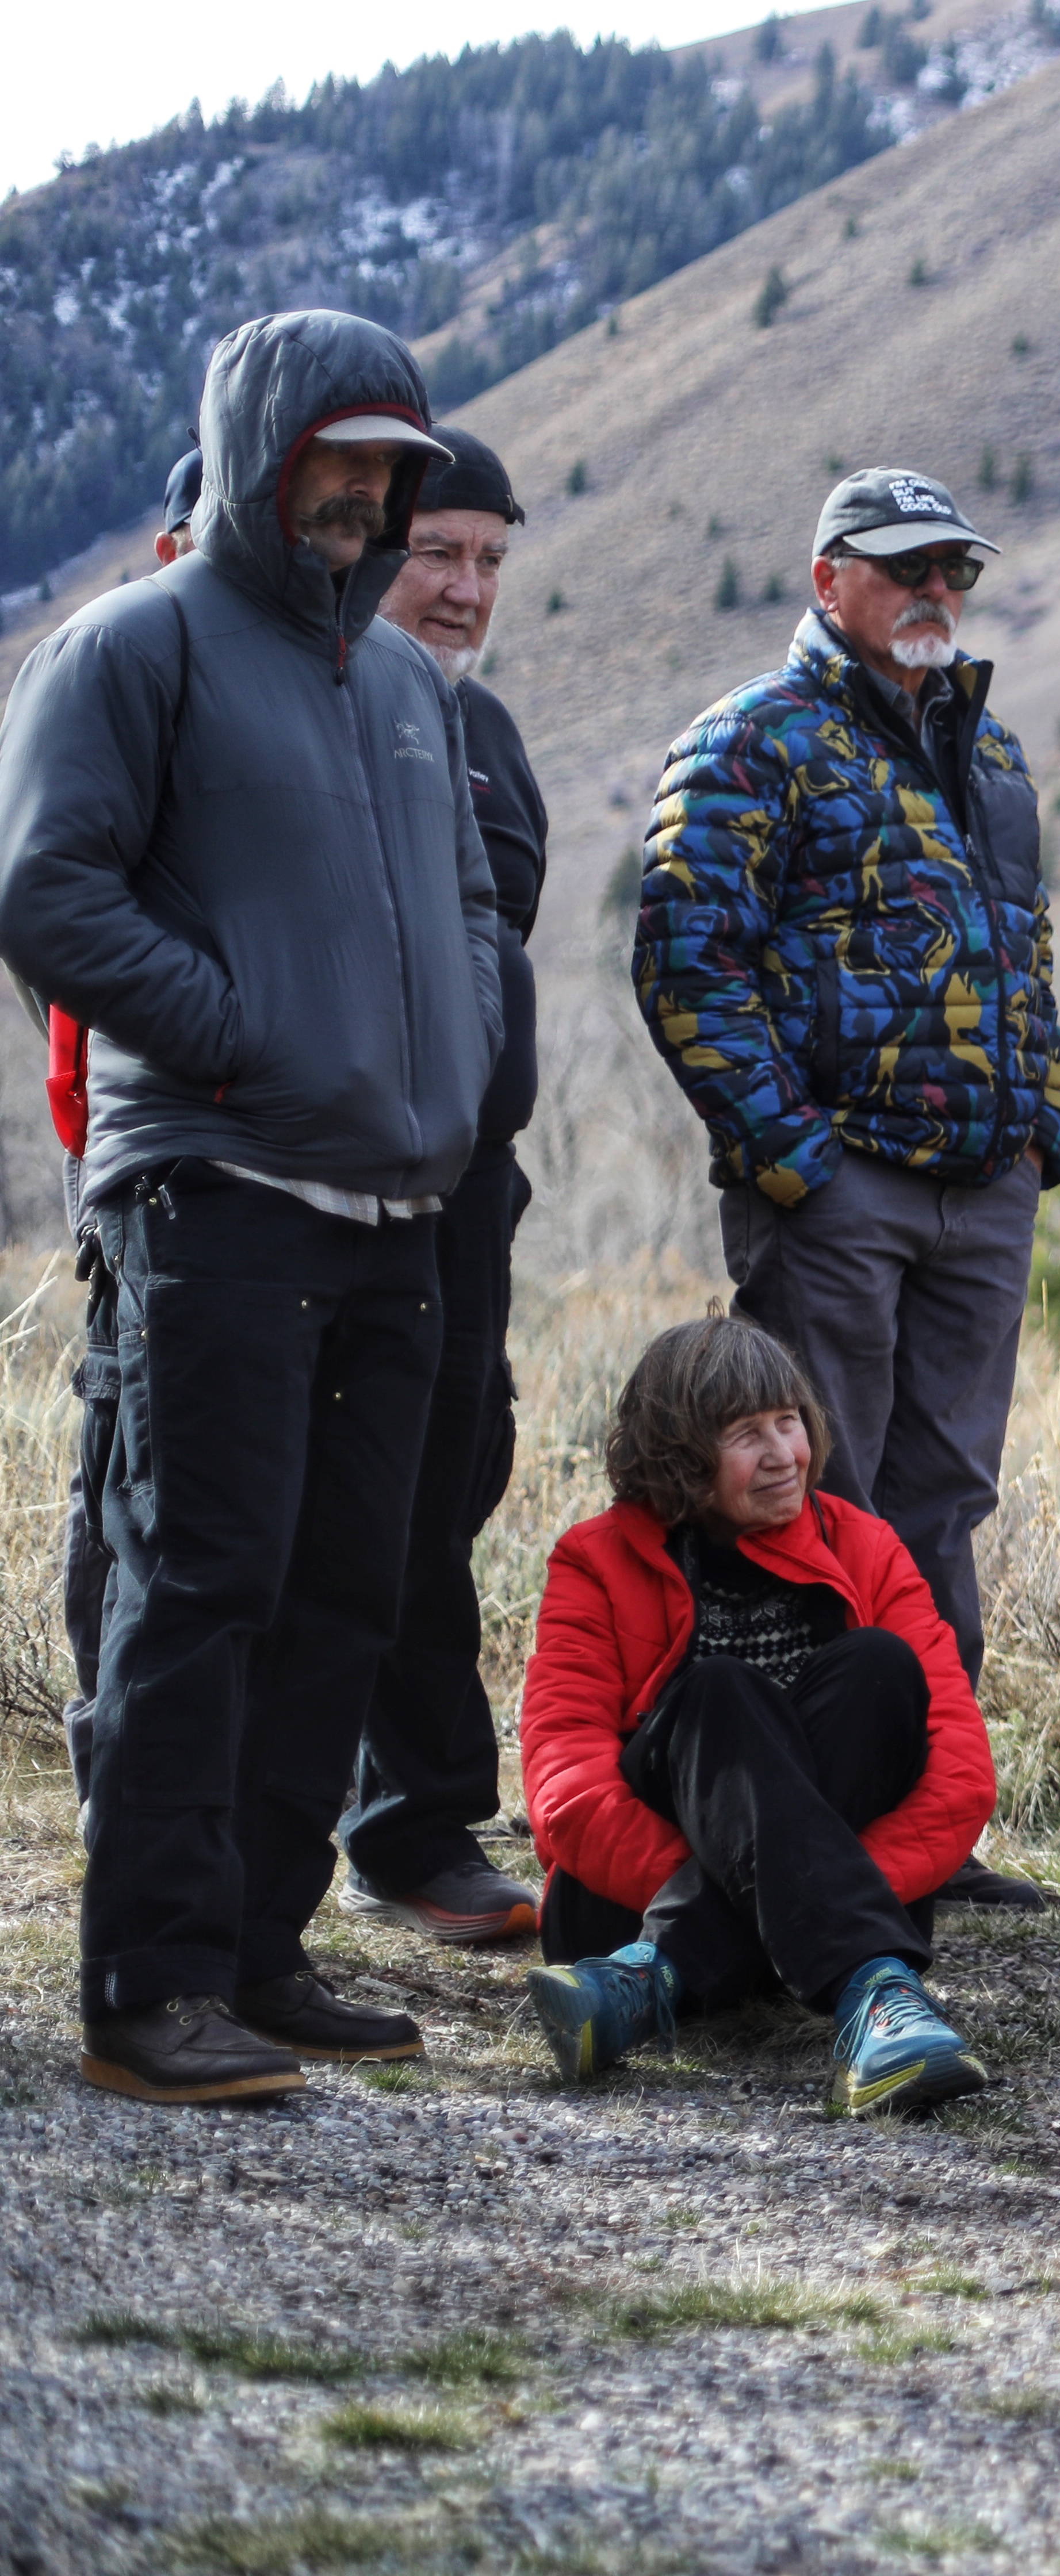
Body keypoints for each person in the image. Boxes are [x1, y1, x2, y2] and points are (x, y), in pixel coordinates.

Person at [0, 311, 502, 2104]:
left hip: (395, 1210)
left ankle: (264, 1951)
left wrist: (447, 1080)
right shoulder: (130, 651)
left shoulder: (403, 690)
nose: (365, 496)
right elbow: (46, 894)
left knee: (346, 1591)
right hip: (215, 1193)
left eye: (393, 467)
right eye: (337, 460)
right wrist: (240, 1044)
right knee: (198, 1584)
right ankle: (150, 1983)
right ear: (264, 454)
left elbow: (461, 921)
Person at [636, 466, 1060, 1692]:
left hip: (985, 1188)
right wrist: (801, 1166)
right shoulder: (748, 738)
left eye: (956, 569)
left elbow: (1024, 946)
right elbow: (683, 963)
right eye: (907, 568)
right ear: (830, 581)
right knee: (811, 1490)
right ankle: (798, 1802)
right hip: (841, 1188)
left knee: (946, 1499)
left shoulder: (989, 751)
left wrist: (1045, 1120)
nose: (938, 589)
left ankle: (931, 1802)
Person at [517, 1317, 998, 2118]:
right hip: (621, 1906)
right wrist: (797, 1891)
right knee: (719, 1692)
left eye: (791, 1423)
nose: (785, 1454)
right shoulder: (595, 1559)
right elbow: (564, 1783)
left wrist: (813, 1884)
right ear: (679, 1454)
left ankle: (654, 1981)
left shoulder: (865, 1545)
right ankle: (874, 1989)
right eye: (748, 1434)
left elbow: (961, 1774)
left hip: (796, 1907)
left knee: (880, 1666)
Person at [338, 424, 549, 1948]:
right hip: (331, 1175)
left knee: (453, 1480)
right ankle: (389, 1825)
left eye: (488, 557)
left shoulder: (491, 736)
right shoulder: (321, 702)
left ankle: (414, 1823)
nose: (467, 586)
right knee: (348, 1503)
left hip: (474, 1186)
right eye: (439, 553)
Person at [36, 447, 202, 1833]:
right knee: (128, 1475)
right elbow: (54, 928)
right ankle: (118, 1773)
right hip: (137, 1166)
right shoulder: (119, 683)